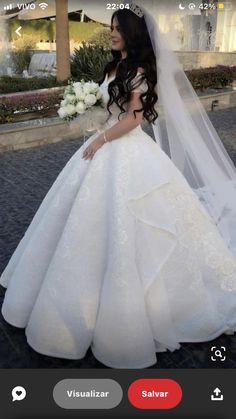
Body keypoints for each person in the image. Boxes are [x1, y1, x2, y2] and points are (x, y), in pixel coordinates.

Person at [0, 5, 236, 369]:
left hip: (124, 150)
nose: (111, 33)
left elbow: (135, 118)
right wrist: (88, 111)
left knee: (137, 222)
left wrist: (100, 140)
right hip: (102, 143)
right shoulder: (113, 67)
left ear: (132, 33)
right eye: (110, 27)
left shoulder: (140, 71)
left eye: (117, 28)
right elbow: (109, 105)